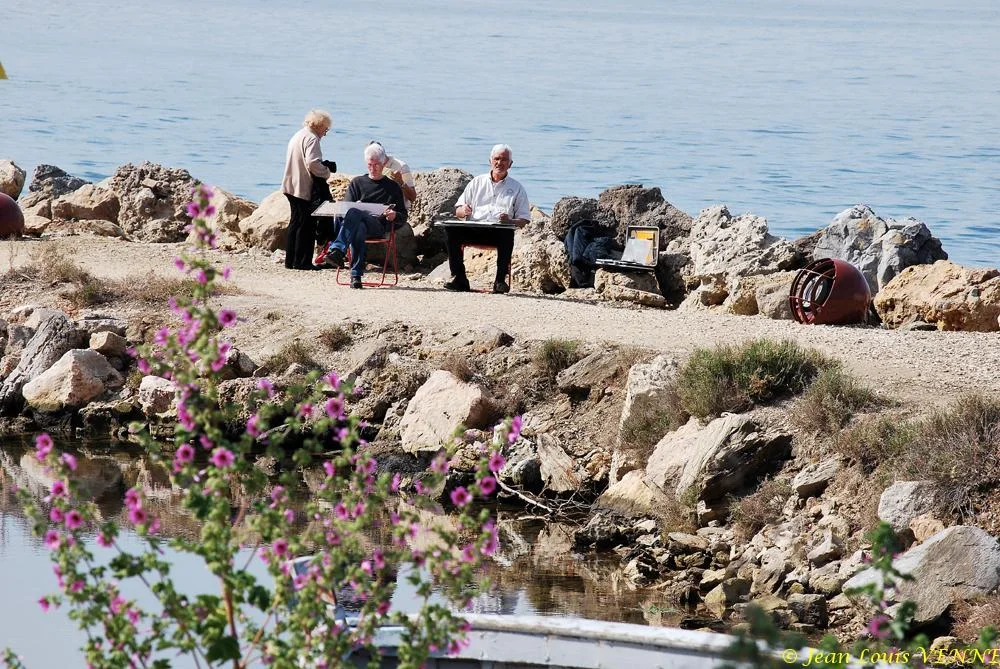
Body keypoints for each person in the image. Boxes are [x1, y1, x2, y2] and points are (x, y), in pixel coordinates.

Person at [444, 144, 530, 294]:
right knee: (451, 229)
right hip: (475, 228)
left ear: (510, 164)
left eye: (504, 160)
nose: (500, 163)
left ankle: (500, 281)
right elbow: (457, 210)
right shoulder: (477, 182)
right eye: (497, 159)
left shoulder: (517, 188)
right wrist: (462, 211)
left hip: (498, 232)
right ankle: (459, 278)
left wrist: (510, 221)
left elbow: (524, 220)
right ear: (490, 160)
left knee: (507, 234)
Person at [325, 142, 407, 289]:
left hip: (378, 225)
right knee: (358, 224)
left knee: (356, 214)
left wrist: (394, 215)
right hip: (357, 226)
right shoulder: (357, 182)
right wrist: (356, 205)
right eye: (370, 164)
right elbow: (345, 210)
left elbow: (403, 216)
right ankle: (356, 276)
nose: (373, 168)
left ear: (383, 164)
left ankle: (337, 250)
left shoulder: (392, 187)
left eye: (376, 165)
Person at [282, 109, 337, 270]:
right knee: (307, 225)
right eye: (325, 129)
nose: (325, 133)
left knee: (295, 223)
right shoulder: (312, 138)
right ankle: (303, 262)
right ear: (319, 125)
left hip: (289, 184)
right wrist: (326, 172)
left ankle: (290, 261)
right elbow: (313, 163)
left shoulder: (298, 135)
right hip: (302, 187)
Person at [368, 141, 417, 209]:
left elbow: (412, 197)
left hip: (397, 211)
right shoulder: (371, 166)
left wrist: (401, 182)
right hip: (377, 210)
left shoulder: (401, 166)